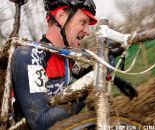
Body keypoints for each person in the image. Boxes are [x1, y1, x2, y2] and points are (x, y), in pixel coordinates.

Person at [11, 0, 97, 130]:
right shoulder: (31, 57)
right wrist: (88, 90)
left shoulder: (68, 59)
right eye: (83, 22)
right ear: (61, 16)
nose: (88, 31)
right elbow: (42, 123)